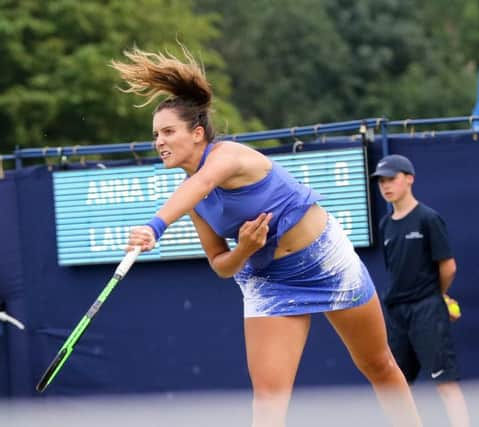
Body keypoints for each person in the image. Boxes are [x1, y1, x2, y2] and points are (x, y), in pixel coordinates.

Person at [112, 46, 422, 427]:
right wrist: (243, 249)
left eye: (168, 132)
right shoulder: (192, 197)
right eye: (155, 134)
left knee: (378, 364)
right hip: (268, 280)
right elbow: (220, 266)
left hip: (326, 261)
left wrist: (154, 227)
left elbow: (205, 181)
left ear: (197, 134)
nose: (159, 141)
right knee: (269, 398)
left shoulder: (226, 156)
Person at [373, 154, 470, 427]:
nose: (385, 185)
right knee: (396, 385)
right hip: (396, 314)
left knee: (445, 383)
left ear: (409, 179)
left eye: (391, 178)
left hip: (427, 310)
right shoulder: (386, 224)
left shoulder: (428, 218)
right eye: (381, 180)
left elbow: (448, 267)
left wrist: (436, 296)